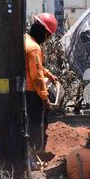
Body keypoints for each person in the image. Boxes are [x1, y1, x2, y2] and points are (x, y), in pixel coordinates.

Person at [25, 13, 58, 155]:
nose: (47, 39)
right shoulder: (34, 48)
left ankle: (27, 153)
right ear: (44, 33)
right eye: (48, 36)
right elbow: (37, 77)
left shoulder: (25, 40)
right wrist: (45, 98)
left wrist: (49, 75)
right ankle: (36, 154)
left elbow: (34, 67)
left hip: (21, 90)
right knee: (37, 125)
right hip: (31, 93)